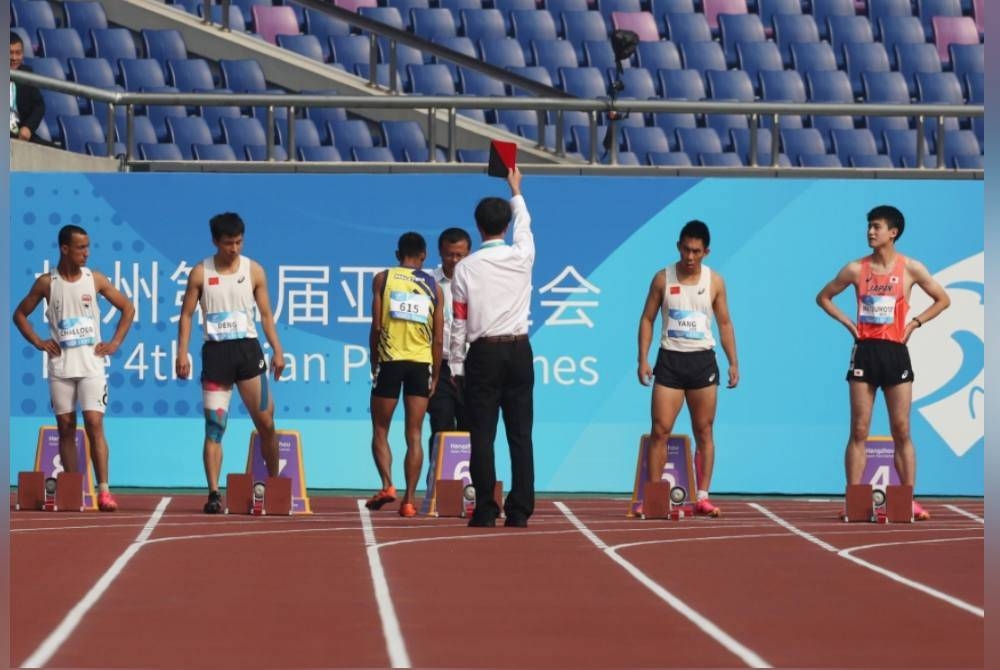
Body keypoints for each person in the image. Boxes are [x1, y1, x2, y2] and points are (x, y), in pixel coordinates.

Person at [816, 205, 950, 521]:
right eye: (868, 227)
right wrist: (850, 325)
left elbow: (943, 299)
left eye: (876, 227)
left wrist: (915, 323)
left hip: (895, 352)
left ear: (893, 232)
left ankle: (907, 500)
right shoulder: (854, 269)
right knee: (859, 429)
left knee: (901, 429)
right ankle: (855, 499)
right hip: (865, 352)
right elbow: (823, 297)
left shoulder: (910, 268)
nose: (870, 232)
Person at [13, 225, 135, 511]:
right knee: (65, 427)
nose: (86, 253)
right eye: (80, 247)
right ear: (64, 248)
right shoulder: (47, 283)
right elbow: (19, 314)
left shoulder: (96, 280)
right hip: (61, 367)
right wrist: (38, 342)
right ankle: (73, 489)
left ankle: (104, 490)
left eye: (88, 247)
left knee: (94, 424)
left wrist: (115, 342)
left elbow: (127, 308)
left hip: (92, 365)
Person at [175, 212, 286, 514]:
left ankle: (273, 483)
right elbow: (186, 315)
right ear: (215, 241)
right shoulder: (200, 272)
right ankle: (213, 494)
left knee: (266, 423)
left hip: (248, 354)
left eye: (238, 242)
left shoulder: (254, 271)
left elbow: (265, 316)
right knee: (214, 428)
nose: (234, 248)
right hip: (216, 355)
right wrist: (181, 352)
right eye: (228, 244)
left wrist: (277, 350)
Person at [450, 168, 535, 528]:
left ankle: (485, 508)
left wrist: (455, 365)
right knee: (520, 434)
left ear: (479, 228)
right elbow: (526, 224)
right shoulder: (522, 256)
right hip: (518, 351)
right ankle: (519, 511)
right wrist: (516, 190)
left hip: (483, 353)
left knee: (481, 434)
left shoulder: (465, 269)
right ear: (504, 225)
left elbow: (458, 321)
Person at [636, 220, 738, 517]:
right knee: (660, 429)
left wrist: (733, 362)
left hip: (702, 361)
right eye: (685, 250)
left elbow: (725, 323)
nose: (690, 257)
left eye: (696, 251)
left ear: (706, 251)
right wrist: (642, 358)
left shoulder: (715, 281)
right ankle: (654, 496)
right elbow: (647, 319)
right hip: (669, 361)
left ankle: (703, 497)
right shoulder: (662, 279)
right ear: (678, 246)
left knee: (704, 430)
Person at [366, 232, 444, 518]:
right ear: (423, 257)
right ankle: (409, 501)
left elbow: (376, 327)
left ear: (398, 254)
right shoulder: (434, 286)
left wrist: (375, 362)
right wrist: (435, 375)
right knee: (415, 433)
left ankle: (388, 484)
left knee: (380, 430)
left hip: (390, 361)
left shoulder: (383, 279)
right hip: (420, 364)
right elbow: (438, 338)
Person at [424, 227, 472, 491]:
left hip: (470, 366)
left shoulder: (478, 282)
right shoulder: (428, 282)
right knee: (441, 424)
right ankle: (438, 487)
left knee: (471, 427)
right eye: (449, 254)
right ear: (440, 253)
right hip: (439, 366)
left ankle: (469, 486)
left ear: (469, 253)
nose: (454, 260)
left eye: (460, 255)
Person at [9, 32, 45, 143]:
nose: (14, 58)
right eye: (9, 53)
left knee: (57, 152)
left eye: (18, 53)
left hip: (21, 136)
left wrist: (28, 128)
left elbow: (39, 106)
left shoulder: (27, 73)